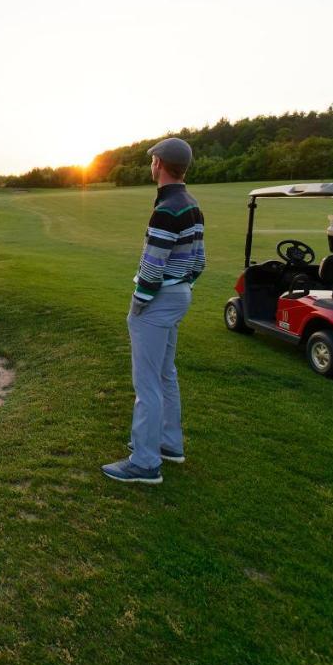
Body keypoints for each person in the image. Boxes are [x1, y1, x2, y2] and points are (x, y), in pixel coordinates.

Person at [102, 137, 205, 485]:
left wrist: (139, 302)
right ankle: (168, 444)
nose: (151, 165)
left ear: (159, 164)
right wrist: (184, 285)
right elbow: (199, 261)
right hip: (180, 294)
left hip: (158, 300)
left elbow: (152, 266)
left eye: (152, 161)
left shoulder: (166, 209)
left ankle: (145, 462)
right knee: (165, 374)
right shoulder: (192, 204)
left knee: (146, 383)